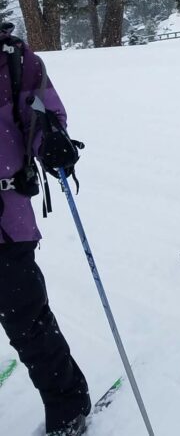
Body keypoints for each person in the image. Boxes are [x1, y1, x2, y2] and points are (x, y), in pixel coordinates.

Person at [0, 23, 90, 436]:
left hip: (6, 216)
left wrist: (52, 141)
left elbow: (43, 113)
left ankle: (67, 403)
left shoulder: (15, 61)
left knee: (26, 318)